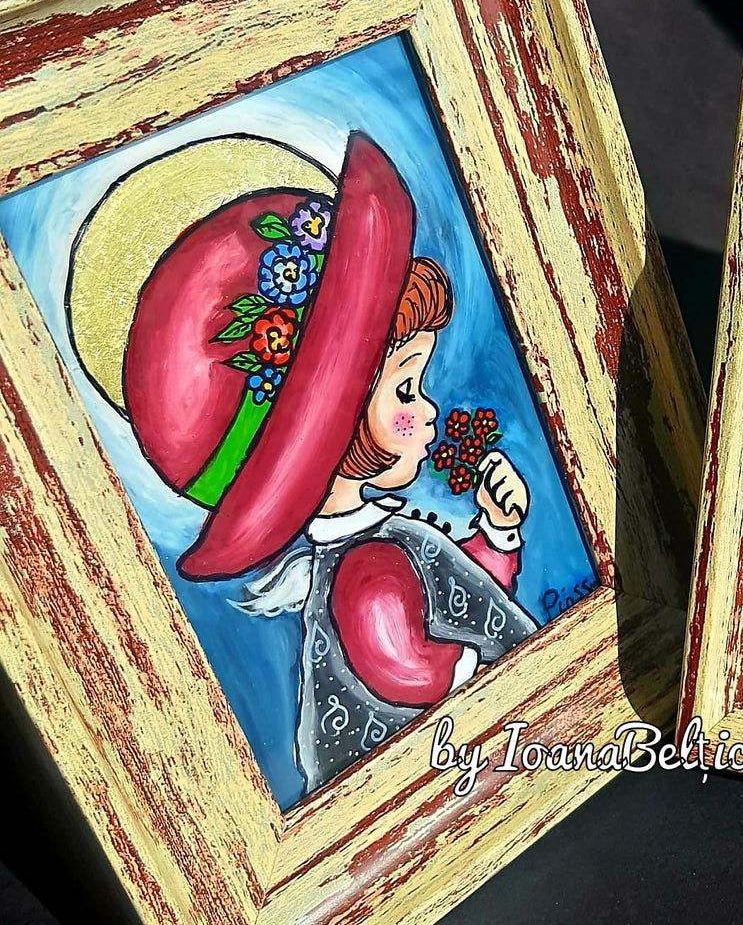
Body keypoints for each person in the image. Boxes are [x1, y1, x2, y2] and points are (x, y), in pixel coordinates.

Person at [70, 131, 535, 793]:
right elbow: (406, 667)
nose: (428, 409)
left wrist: (497, 536)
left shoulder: (378, 545)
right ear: (332, 430)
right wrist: (486, 676)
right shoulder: (365, 567)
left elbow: (458, 598)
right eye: (405, 389)